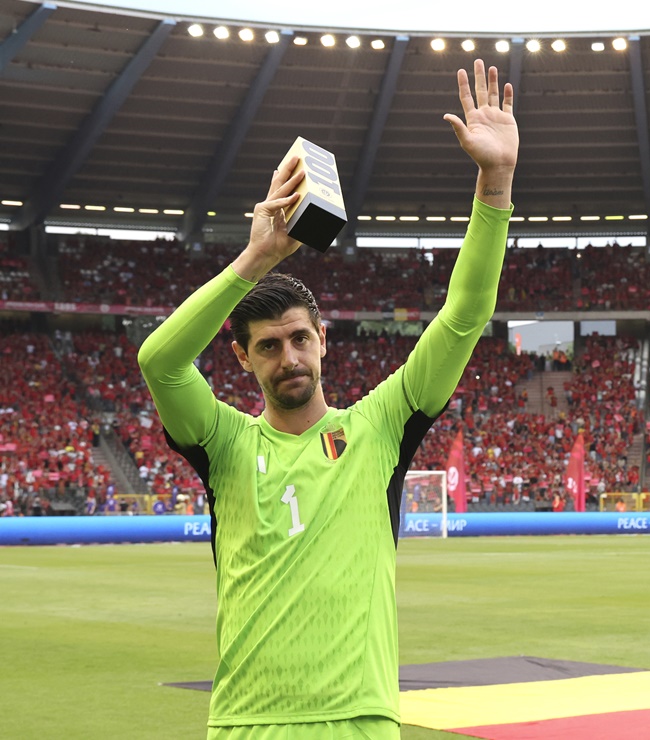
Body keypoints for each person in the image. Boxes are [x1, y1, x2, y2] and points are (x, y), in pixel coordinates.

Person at [137, 60, 517, 740]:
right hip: (247, 724)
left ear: (322, 342)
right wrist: (255, 260)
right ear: (241, 357)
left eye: (299, 340)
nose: (288, 358)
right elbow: (159, 361)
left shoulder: (380, 426)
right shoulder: (224, 444)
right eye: (268, 346)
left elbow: (463, 316)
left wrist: (495, 183)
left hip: (360, 722)